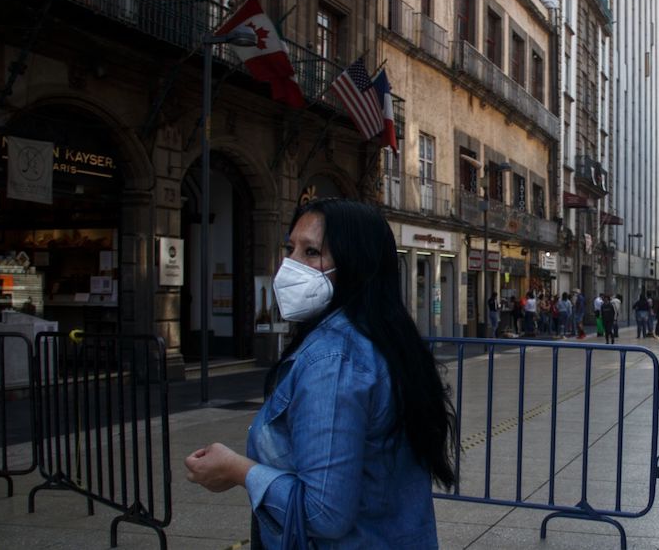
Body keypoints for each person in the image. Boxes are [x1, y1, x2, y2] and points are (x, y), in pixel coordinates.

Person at [185, 199, 456, 549]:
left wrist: (237, 470)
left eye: (312, 252)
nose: (290, 265)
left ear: (356, 266)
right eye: (291, 248)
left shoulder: (334, 359)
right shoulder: (381, 338)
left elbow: (323, 514)